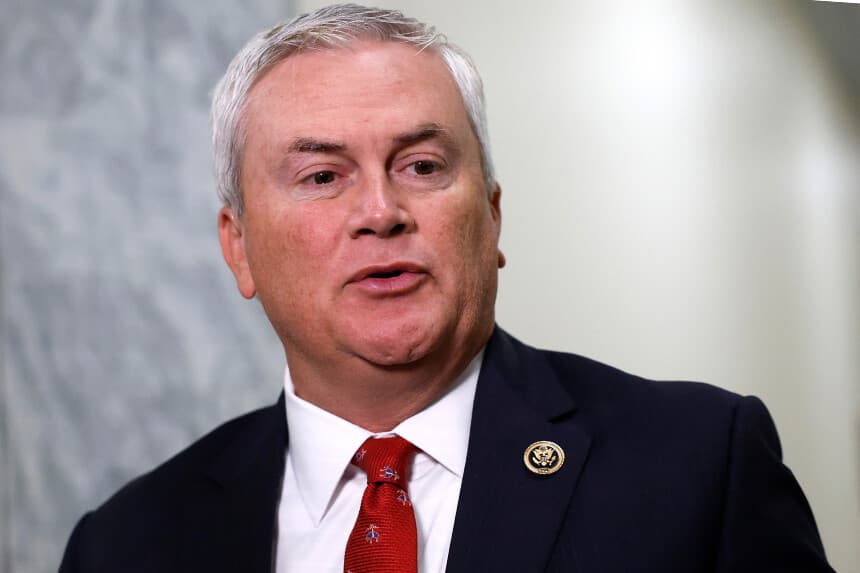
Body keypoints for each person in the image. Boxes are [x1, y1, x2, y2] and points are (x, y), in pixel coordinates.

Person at [59, 4, 834, 572]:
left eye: (422, 166)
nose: (380, 212)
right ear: (239, 248)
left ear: (491, 218)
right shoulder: (126, 544)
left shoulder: (698, 464)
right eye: (323, 176)